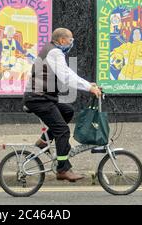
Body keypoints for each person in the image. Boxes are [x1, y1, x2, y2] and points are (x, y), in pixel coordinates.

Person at [23, 28, 102, 182]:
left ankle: (43, 142)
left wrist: (88, 84)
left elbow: (68, 73)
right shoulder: (54, 53)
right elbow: (66, 77)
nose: (72, 43)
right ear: (61, 40)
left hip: (43, 98)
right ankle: (62, 169)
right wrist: (89, 88)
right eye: (70, 40)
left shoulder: (53, 50)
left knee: (67, 111)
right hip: (38, 99)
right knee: (63, 131)